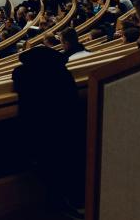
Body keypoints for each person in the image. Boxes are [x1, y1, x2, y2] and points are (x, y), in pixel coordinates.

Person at [10, 47, 85, 214]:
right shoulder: (63, 75)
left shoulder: (25, 75)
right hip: (69, 135)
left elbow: (17, 75)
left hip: (40, 140)